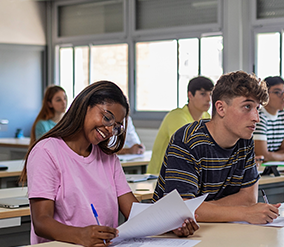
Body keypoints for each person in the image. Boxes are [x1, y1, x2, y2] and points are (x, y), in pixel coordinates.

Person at [23, 81, 197, 246]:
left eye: (116, 127)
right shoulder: (46, 152)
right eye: (107, 118)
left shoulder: (108, 158)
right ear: (85, 106)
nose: (109, 130)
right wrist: (81, 235)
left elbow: (132, 210)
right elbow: (41, 222)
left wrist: (171, 224)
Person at [153, 71, 281, 224]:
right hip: (170, 235)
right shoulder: (188, 140)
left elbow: (248, 198)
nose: (256, 118)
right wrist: (244, 213)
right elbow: (181, 210)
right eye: (247, 106)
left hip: (217, 227)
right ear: (221, 108)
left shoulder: (244, 140)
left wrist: (201, 209)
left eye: (257, 109)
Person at [148, 76, 214, 175]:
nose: (208, 99)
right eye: (203, 94)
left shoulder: (206, 116)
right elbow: (187, 148)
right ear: (190, 95)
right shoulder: (177, 116)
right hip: (160, 176)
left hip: (185, 173)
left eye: (211, 94)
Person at [253, 76, 284, 162]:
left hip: (278, 167)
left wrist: (271, 155)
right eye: (277, 92)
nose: (283, 96)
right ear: (265, 94)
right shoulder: (258, 117)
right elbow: (262, 155)